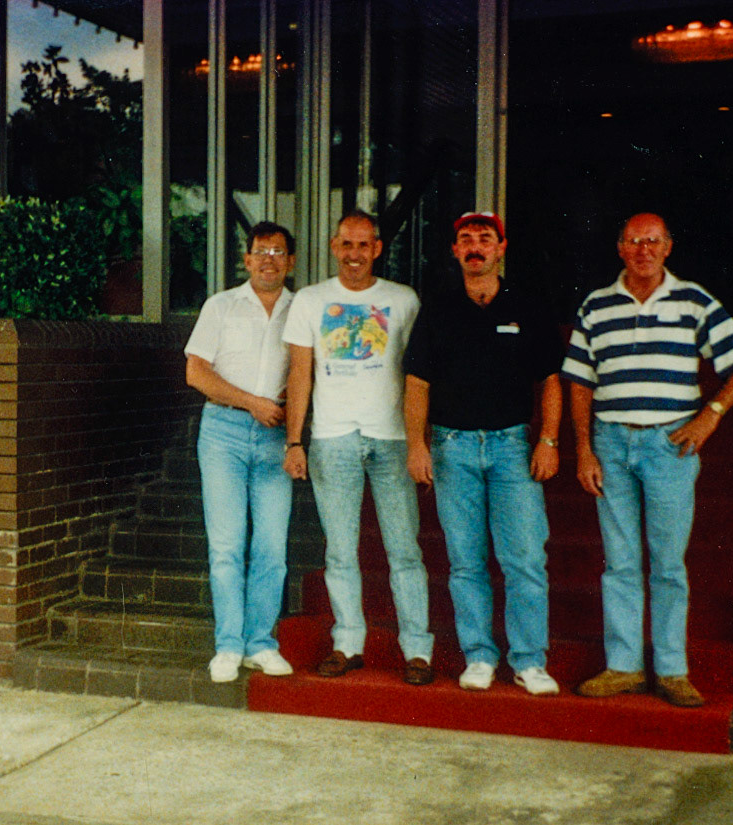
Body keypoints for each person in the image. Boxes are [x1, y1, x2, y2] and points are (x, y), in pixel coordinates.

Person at [562, 212, 733, 707]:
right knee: (621, 561)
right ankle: (624, 666)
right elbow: (580, 382)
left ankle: (672, 670)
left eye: (652, 241)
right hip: (611, 442)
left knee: (668, 563)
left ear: (668, 247)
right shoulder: (597, 305)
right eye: (634, 241)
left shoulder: (693, 301)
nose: (643, 250)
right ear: (620, 248)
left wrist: (711, 414)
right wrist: (584, 448)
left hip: (668, 446)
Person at [403, 211, 564, 696]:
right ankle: (478, 655)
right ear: (455, 251)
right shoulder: (438, 308)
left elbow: (551, 380)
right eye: (466, 240)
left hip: (513, 447)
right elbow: (416, 382)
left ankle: (530, 661)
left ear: (501, 248)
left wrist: (549, 440)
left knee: (525, 560)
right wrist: (417, 444)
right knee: (466, 561)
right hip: (452, 448)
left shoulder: (527, 307)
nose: (476, 246)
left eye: (485, 239)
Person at [282, 210, 436, 686]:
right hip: (332, 438)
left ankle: (417, 650)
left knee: (404, 549)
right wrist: (295, 439)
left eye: (363, 245)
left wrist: (418, 441)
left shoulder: (402, 300)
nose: (354, 255)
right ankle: (348, 643)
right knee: (340, 551)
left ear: (378, 248)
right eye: (346, 245)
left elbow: (419, 377)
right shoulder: (310, 301)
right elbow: (300, 374)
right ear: (333, 246)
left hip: (391, 438)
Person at [184, 221, 299, 683]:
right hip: (224, 433)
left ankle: (261, 644)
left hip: (277, 436)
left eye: (278, 251)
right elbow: (197, 373)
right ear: (247, 260)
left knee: (272, 546)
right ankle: (228, 645)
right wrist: (253, 403)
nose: (269, 258)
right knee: (228, 545)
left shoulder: (303, 309)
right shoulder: (221, 306)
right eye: (260, 250)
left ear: (290, 261)